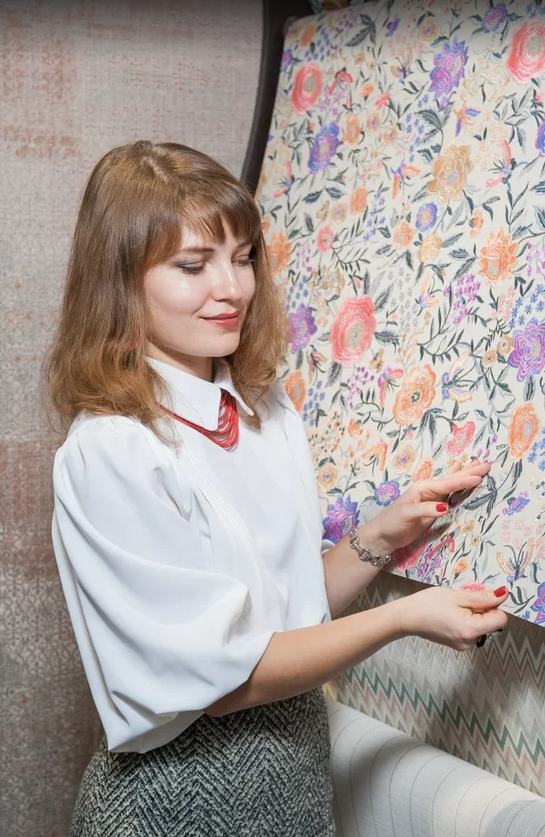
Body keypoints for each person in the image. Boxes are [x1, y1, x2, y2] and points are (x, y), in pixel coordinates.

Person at [45, 140, 508, 837]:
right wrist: (402, 618)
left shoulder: (265, 409)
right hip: (175, 804)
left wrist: (380, 536)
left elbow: (281, 619)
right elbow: (225, 678)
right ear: (121, 281)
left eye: (242, 258)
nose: (232, 288)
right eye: (192, 266)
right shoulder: (111, 450)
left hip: (295, 782)